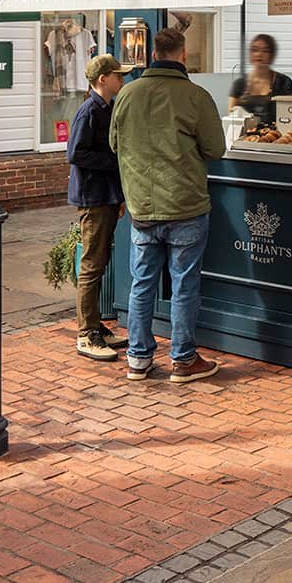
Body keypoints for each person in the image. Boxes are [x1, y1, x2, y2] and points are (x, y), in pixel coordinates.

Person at [109, 25, 226, 383]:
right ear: (183, 54)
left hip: (142, 206)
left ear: (151, 54)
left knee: (141, 282)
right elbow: (215, 149)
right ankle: (183, 360)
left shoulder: (127, 95)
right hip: (185, 204)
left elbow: (114, 144)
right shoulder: (195, 96)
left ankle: (138, 359)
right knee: (184, 284)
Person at [67, 54, 127, 361]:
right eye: (118, 76)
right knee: (91, 264)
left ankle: (94, 326)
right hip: (93, 197)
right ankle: (85, 333)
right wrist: (114, 163)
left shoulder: (106, 108)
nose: (122, 79)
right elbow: (76, 154)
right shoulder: (89, 111)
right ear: (102, 79)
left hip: (105, 195)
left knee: (98, 261)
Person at [228, 34, 292, 127]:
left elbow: (290, 114)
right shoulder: (239, 84)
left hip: (275, 137)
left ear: (272, 55)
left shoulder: (284, 82)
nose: (259, 54)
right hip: (244, 137)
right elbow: (231, 117)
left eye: (265, 51)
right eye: (255, 50)